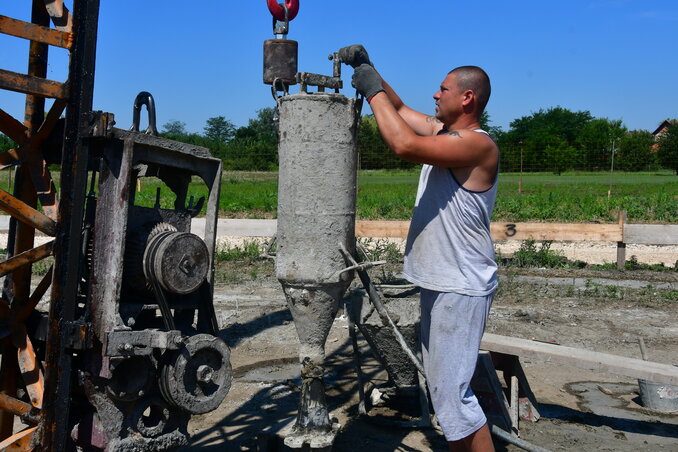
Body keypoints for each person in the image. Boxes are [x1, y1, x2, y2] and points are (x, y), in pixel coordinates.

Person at [339, 45, 499, 452]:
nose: (435, 95)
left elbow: (403, 145)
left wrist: (371, 91)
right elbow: (400, 108)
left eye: (443, 89)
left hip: (459, 286)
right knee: (447, 395)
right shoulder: (445, 133)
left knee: (452, 398)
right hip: (443, 282)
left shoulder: (477, 145)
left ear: (467, 98)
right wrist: (368, 70)